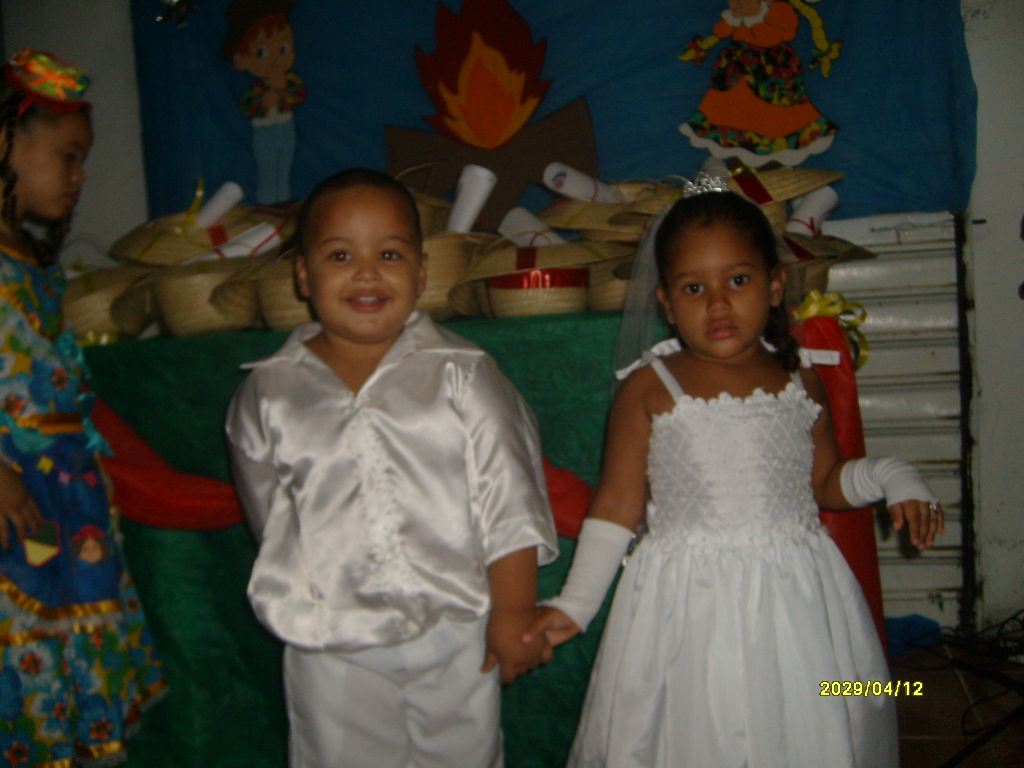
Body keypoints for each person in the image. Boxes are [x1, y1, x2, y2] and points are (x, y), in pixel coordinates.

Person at [527, 177, 943, 768]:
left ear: (774, 285)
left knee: (815, 708)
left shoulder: (801, 379)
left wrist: (893, 475)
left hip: (796, 597)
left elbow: (827, 482)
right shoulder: (649, 387)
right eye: (694, 288)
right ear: (666, 302)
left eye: (738, 281)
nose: (717, 304)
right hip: (689, 607)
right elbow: (617, 506)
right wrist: (576, 603)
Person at [225, 168, 558, 768]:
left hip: (458, 629)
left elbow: (510, 499)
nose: (366, 273)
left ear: (422, 272)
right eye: (340, 255)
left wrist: (513, 613)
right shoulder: (268, 394)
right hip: (330, 640)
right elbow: (269, 517)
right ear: (303, 274)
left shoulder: (464, 374)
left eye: (390, 254)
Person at [0, 49, 166, 762]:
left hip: (64, 496)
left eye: (83, 161)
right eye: (67, 157)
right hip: (16, 493)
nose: (79, 177)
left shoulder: (29, 262)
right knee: (26, 625)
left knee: (72, 610)